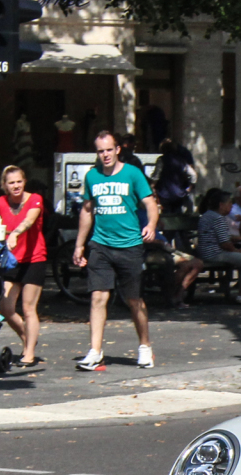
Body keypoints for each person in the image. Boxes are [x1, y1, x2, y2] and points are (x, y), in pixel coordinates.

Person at [72, 130, 159, 371]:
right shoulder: (92, 176)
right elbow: (87, 210)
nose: (105, 155)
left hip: (129, 244)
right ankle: (95, 351)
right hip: (100, 244)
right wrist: (80, 244)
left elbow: (150, 203)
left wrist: (150, 225)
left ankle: (144, 347)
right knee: (98, 297)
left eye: (109, 150)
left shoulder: (132, 174)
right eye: (101, 151)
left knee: (134, 300)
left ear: (118, 149)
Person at [0, 165, 47, 367]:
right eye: (11, 182)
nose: (16, 186)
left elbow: (30, 220)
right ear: (4, 185)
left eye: (19, 181)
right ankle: (27, 336)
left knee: (28, 308)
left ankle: (29, 352)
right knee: (5, 307)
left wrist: (15, 232)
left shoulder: (34, 199)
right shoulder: (0, 202)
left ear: (24, 181)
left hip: (34, 259)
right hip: (12, 260)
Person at [195, 188, 241, 304]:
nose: (231, 206)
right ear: (221, 205)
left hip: (205, 251)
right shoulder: (218, 218)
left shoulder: (206, 215)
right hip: (215, 253)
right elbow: (225, 244)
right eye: (229, 203)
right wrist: (240, 252)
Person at [154, 139, 196, 214]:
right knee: (178, 213)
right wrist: (189, 188)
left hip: (164, 194)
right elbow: (193, 175)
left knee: (166, 214)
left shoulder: (161, 160)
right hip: (179, 194)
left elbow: (156, 176)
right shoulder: (181, 161)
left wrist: (153, 185)